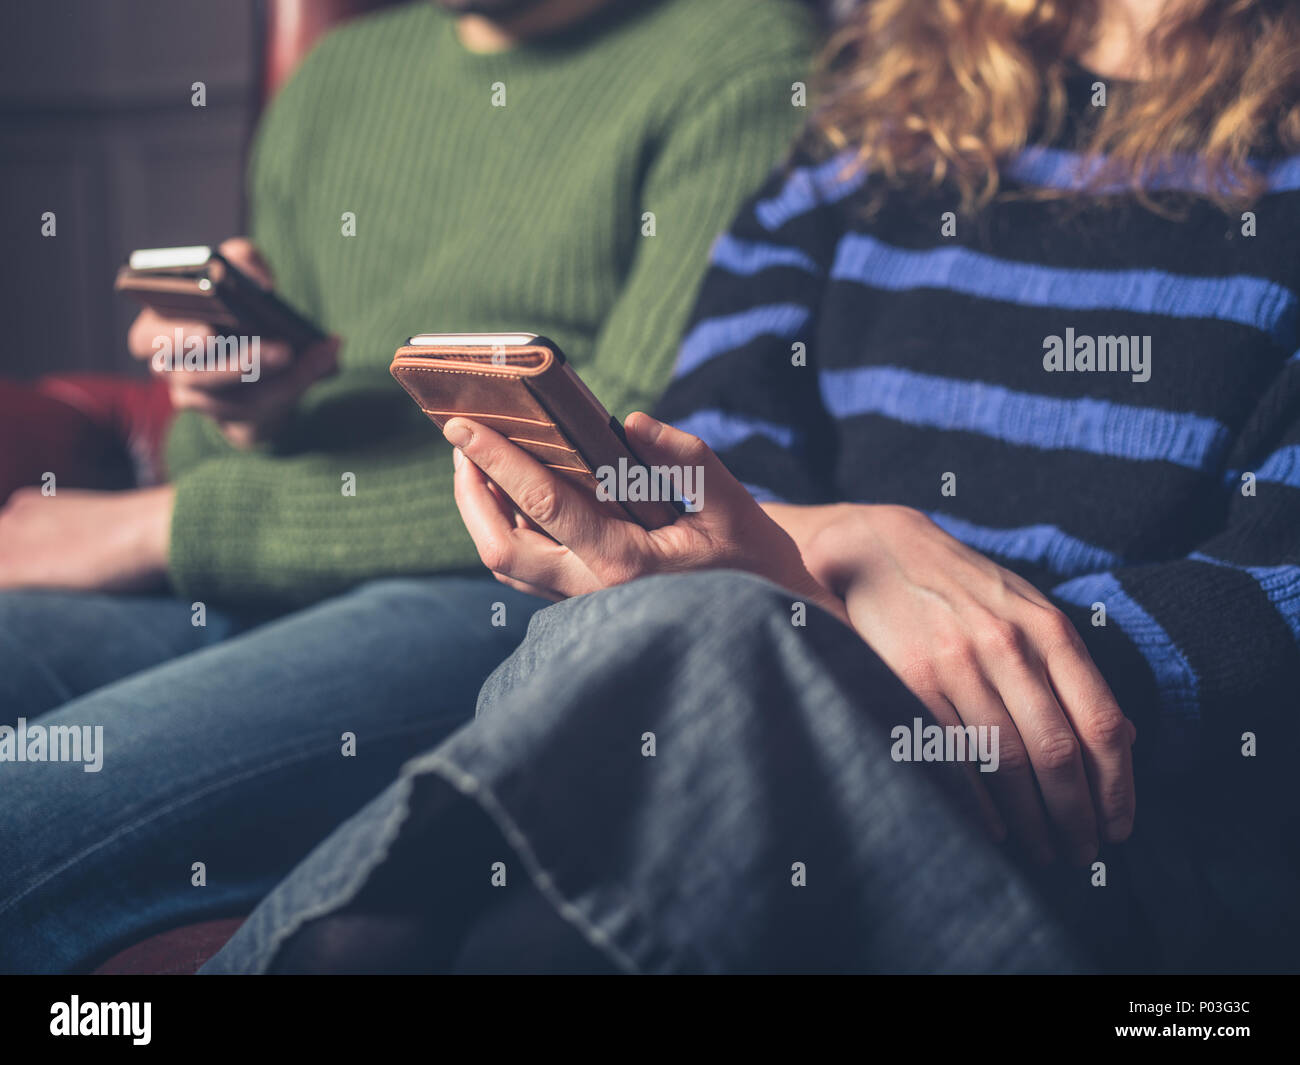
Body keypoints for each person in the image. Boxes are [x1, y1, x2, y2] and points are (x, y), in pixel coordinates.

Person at [204, 0, 1300, 973]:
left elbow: (1274, 597)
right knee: (641, 634)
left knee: (698, 647)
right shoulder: (874, 117)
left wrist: (908, 663)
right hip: (760, 687)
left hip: (1099, 817)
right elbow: (718, 442)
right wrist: (850, 557)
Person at [0, 0, 815, 973]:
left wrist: (171, 527)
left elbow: (625, 482)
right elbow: (216, 448)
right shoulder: (340, 76)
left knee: (27, 810)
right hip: (267, 567)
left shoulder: (742, 54)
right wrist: (235, 408)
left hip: (496, 593)